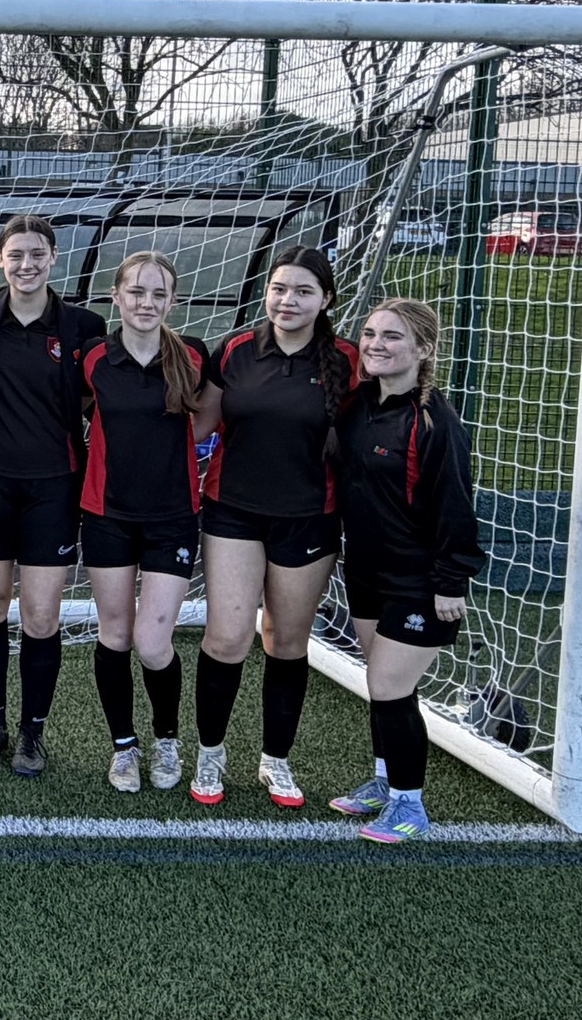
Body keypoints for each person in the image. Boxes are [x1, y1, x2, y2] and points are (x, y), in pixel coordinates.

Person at [192, 245, 359, 807]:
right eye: (280, 289)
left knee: (285, 642)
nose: (288, 301)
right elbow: (198, 429)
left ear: (326, 300)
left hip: (310, 519)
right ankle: (210, 755)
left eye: (304, 291)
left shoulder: (348, 361)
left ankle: (276, 761)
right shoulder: (236, 350)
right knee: (227, 638)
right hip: (232, 512)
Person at [0, 215, 107, 777]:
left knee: (40, 615)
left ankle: (33, 732)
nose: (26, 264)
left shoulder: (83, 325)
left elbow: (108, 389)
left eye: (37, 254)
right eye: (16, 255)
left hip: (53, 488)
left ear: (54, 258)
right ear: (0, 260)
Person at [330, 299, 484, 843]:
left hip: (419, 581)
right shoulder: (358, 403)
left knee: (390, 687)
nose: (375, 344)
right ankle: (382, 780)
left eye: (392, 337)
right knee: (382, 689)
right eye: (370, 333)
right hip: (366, 571)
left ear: (422, 350)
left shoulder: (434, 419)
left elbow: (455, 504)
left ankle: (409, 806)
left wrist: (450, 581)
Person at [79, 252, 219, 792]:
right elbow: (78, 410)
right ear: (116, 296)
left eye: (158, 294)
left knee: (153, 641)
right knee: (114, 633)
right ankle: (123, 748)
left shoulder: (193, 356)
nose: (146, 302)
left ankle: (166, 739)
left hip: (172, 517)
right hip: (107, 514)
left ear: (172, 302)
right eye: (136, 292)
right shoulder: (93, 358)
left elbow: (207, 416)